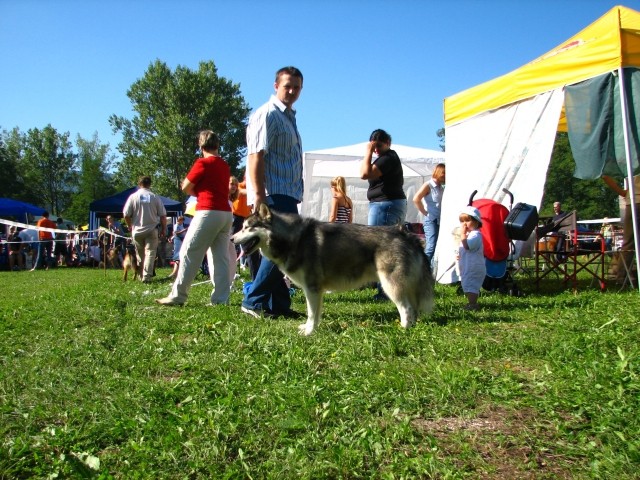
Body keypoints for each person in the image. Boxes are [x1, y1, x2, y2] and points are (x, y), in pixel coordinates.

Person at [241, 66, 304, 319]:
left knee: (281, 250)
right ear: (275, 85)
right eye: (287, 85)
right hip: (272, 194)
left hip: (286, 192)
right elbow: (256, 156)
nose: (292, 91)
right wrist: (258, 196)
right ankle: (252, 301)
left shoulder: (288, 117)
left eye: (297, 87)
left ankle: (278, 305)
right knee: (281, 249)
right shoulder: (266, 114)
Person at [156, 130, 233, 306]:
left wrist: (198, 192)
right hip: (226, 213)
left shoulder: (202, 163)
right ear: (217, 145)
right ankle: (221, 300)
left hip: (208, 211)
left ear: (200, 145)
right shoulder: (224, 165)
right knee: (220, 258)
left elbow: (185, 187)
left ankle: (178, 296)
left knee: (188, 251)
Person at [360, 128, 407, 300]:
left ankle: (386, 292)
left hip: (385, 205)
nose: (376, 149)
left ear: (388, 143)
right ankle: (389, 289)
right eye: (374, 147)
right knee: (389, 248)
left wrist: (367, 152)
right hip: (388, 204)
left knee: (382, 248)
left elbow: (364, 174)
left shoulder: (388, 158)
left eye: (379, 145)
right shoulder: (386, 158)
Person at [123, 176, 167, 283]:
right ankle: (146, 277)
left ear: (139, 184)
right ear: (150, 184)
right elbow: (163, 216)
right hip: (152, 229)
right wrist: (163, 229)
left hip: (137, 230)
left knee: (140, 254)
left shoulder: (133, 197)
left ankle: (141, 275)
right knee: (150, 253)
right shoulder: (155, 197)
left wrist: (130, 226)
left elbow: (126, 214)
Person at [603, 174, 640, 284]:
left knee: (629, 242)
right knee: (629, 242)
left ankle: (622, 277)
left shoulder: (631, 160)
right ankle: (623, 276)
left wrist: (625, 193)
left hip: (633, 201)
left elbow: (605, 175)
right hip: (634, 200)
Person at [413, 163, 446, 266]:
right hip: (431, 219)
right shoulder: (429, 185)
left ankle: (431, 270)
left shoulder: (441, 187)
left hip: (439, 219)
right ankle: (423, 269)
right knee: (431, 246)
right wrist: (425, 213)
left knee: (436, 246)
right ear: (441, 173)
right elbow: (416, 199)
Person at [232, 176, 261, 279]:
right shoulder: (237, 186)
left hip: (245, 221)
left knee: (251, 249)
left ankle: (256, 278)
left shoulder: (252, 189)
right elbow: (242, 192)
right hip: (234, 219)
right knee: (229, 245)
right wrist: (258, 191)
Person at [457, 206, 486, 311]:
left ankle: (473, 304)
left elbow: (467, 246)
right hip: (468, 266)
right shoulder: (470, 235)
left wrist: (462, 234)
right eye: (462, 221)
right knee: (467, 284)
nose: (464, 224)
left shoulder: (476, 235)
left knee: (471, 285)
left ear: (477, 222)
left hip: (474, 267)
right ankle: (471, 302)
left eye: (467, 220)